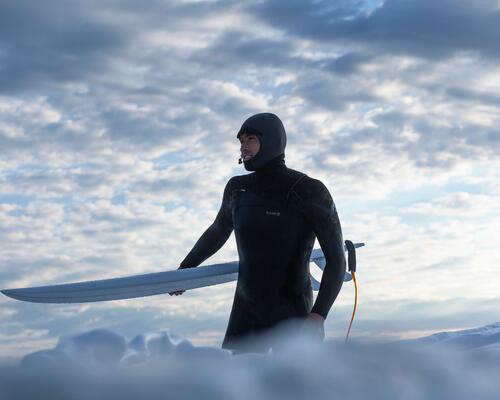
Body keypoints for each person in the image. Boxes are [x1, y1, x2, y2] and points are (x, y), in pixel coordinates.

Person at [171, 113, 346, 353]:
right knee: (233, 387)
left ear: (272, 141)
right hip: (245, 318)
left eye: (250, 139)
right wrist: (185, 271)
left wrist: (318, 316)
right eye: (241, 141)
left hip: (292, 320)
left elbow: (336, 260)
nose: (243, 147)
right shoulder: (238, 189)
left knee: (286, 389)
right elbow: (218, 231)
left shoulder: (309, 191)